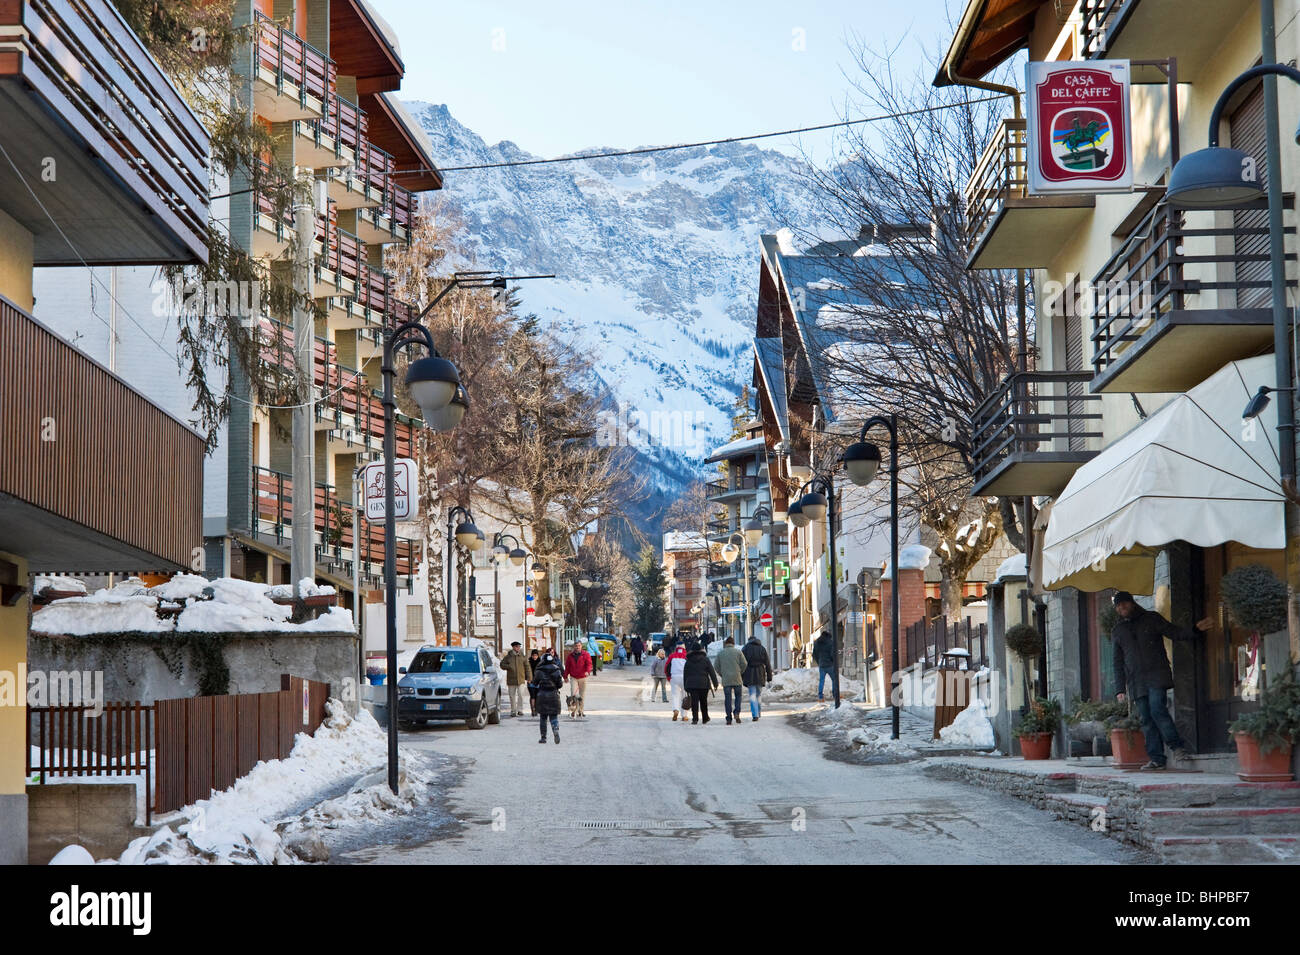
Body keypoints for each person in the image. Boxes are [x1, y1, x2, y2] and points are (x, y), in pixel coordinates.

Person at [1112, 591, 1210, 769]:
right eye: (1118, 605)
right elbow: (1117, 663)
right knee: (1146, 719)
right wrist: (1120, 689)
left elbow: (1174, 632)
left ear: (1132, 603)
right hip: (1136, 681)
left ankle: (1177, 747)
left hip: (1157, 674)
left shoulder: (1151, 618)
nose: (1121, 607)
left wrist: (1195, 629)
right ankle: (1157, 759)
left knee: (1157, 709)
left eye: (1124, 603)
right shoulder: (1118, 631)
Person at [682, 641, 720, 724]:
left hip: (691, 684)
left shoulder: (688, 660)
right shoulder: (705, 659)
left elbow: (685, 673)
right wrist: (715, 684)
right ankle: (705, 718)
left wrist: (685, 685)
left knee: (694, 702)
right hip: (703, 683)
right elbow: (711, 672)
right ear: (700, 649)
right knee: (703, 701)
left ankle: (695, 719)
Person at [715, 637, 748, 725]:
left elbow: (716, 666)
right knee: (738, 696)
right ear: (733, 643)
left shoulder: (720, 653)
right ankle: (737, 712)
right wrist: (740, 672)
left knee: (728, 699)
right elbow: (745, 664)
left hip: (726, 679)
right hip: (737, 678)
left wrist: (722, 674)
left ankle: (729, 718)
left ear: (726, 643)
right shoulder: (738, 652)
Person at [533, 651, 564, 744]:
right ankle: (555, 729)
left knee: (543, 717)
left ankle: (543, 737)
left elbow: (535, 683)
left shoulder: (539, 670)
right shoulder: (557, 670)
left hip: (542, 695)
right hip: (553, 695)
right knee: (553, 716)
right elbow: (560, 684)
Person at [741, 634, 773, 721]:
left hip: (749, 673)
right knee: (759, 695)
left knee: (752, 695)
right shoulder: (762, 648)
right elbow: (767, 664)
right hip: (760, 673)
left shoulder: (745, 648)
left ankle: (755, 714)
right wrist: (769, 676)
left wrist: (741, 676)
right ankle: (758, 712)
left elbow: (742, 664)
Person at [498, 641, 533, 718]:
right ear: (513, 647)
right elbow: (502, 664)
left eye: (519, 646)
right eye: (517, 646)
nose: (518, 648)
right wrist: (508, 666)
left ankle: (520, 710)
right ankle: (513, 710)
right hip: (511, 679)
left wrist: (529, 677)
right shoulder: (508, 656)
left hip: (521, 679)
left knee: (521, 695)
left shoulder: (522, 656)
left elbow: (527, 667)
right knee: (512, 696)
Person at [564, 640, 594, 719]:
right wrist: (565, 676)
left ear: (581, 646)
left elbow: (589, 664)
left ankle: (581, 710)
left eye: (579, 646)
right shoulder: (570, 656)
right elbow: (567, 667)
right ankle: (574, 711)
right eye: (576, 646)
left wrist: (588, 671)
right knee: (574, 694)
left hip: (583, 677)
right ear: (574, 647)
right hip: (574, 677)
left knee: (582, 695)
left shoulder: (586, 654)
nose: (577, 647)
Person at [812, 629, 838, 702]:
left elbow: (814, 654)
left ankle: (820, 697)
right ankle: (835, 695)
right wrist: (833, 661)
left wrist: (818, 661)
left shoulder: (817, 642)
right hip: (829, 664)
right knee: (834, 679)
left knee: (821, 681)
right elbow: (832, 654)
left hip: (821, 665)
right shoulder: (830, 642)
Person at [666, 641, 689, 721]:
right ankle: (684, 715)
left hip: (674, 677)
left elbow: (667, 667)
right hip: (685, 678)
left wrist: (669, 677)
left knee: (675, 695)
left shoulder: (672, 656)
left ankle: (676, 709)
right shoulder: (686, 656)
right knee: (685, 696)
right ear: (684, 647)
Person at [526, 648, 542, 716]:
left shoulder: (541, 662)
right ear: (531, 656)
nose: (534, 657)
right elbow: (526, 671)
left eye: (536, 655)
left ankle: (536, 709)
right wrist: (527, 679)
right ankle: (533, 710)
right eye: (533, 655)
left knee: (537, 696)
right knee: (532, 696)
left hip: (538, 682)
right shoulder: (528, 662)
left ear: (538, 656)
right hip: (531, 681)